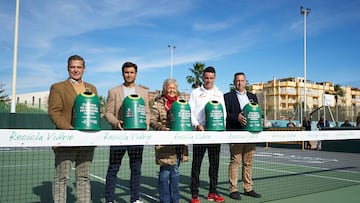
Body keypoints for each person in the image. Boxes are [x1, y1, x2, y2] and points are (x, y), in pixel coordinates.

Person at [48, 55, 98, 203]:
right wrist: (68, 128)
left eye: (79, 67)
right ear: (68, 68)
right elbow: (53, 112)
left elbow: (94, 110)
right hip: (66, 139)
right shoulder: (58, 87)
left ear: (84, 68)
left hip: (87, 141)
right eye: (72, 67)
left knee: (83, 177)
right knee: (62, 177)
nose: (76, 70)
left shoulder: (92, 88)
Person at [104, 62, 150, 203]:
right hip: (119, 136)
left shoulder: (143, 92)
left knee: (136, 169)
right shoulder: (114, 91)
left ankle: (135, 199)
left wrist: (146, 125)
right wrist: (116, 123)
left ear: (136, 74)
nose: (129, 75)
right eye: (126, 72)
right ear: (123, 73)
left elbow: (147, 111)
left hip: (137, 137)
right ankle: (110, 200)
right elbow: (108, 112)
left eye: (131, 72)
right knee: (113, 168)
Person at [188, 66, 226, 203]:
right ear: (203, 78)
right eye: (206, 78)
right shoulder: (195, 92)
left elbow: (223, 113)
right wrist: (197, 125)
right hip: (200, 134)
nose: (209, 80)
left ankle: (213, 192)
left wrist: (222, 128)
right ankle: (194, 194)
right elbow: (190, 111)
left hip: (215, 135)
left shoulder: (219, 93)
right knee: (196, 165)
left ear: (214, 78)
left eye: (211, 78)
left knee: (214, 165)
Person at [150, 78, 189, 203]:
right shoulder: (158, 103)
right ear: (165, 89)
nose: (172, 90)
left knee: (175, 172)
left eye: (174, 88)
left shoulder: (181, 102)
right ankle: (165, 200)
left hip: (179, 144)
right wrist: (162, 128)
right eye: (169, 87)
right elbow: (152, 121)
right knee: (165, 172)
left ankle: (175, 200)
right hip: (164, 144)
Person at [224, 72, 261, 200]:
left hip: (250, 135)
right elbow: (225, 114)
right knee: (235, 161)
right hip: (235, 133)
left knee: (248, 162)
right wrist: (237, 117)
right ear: (234, 83)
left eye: (242, 80)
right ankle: (233, 189)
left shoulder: (253, 97)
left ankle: (248, 188)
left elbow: (256, 113)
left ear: (246, 82)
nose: (240, 83)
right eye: (237, 81)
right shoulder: (227, 97)